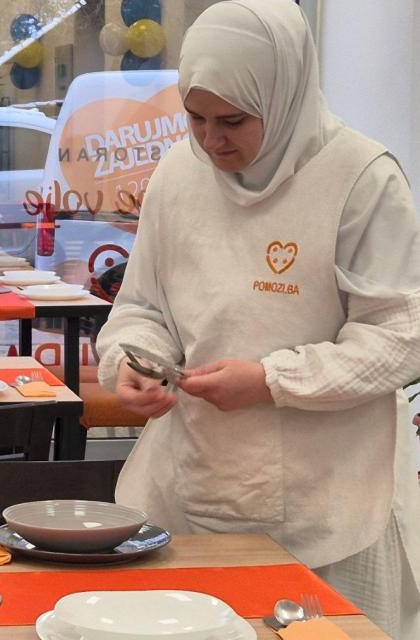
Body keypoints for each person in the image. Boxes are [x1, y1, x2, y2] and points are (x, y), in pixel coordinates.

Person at [95, 0, 420, 637]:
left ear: (285, 94)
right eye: (195, 118)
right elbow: (142, 307)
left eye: (234, 121)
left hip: (334, 504)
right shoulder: (178, 174)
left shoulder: (361, 179)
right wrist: (134, 359)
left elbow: (400, 337)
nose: (211, 140)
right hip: (190, 488)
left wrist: (272, 381)